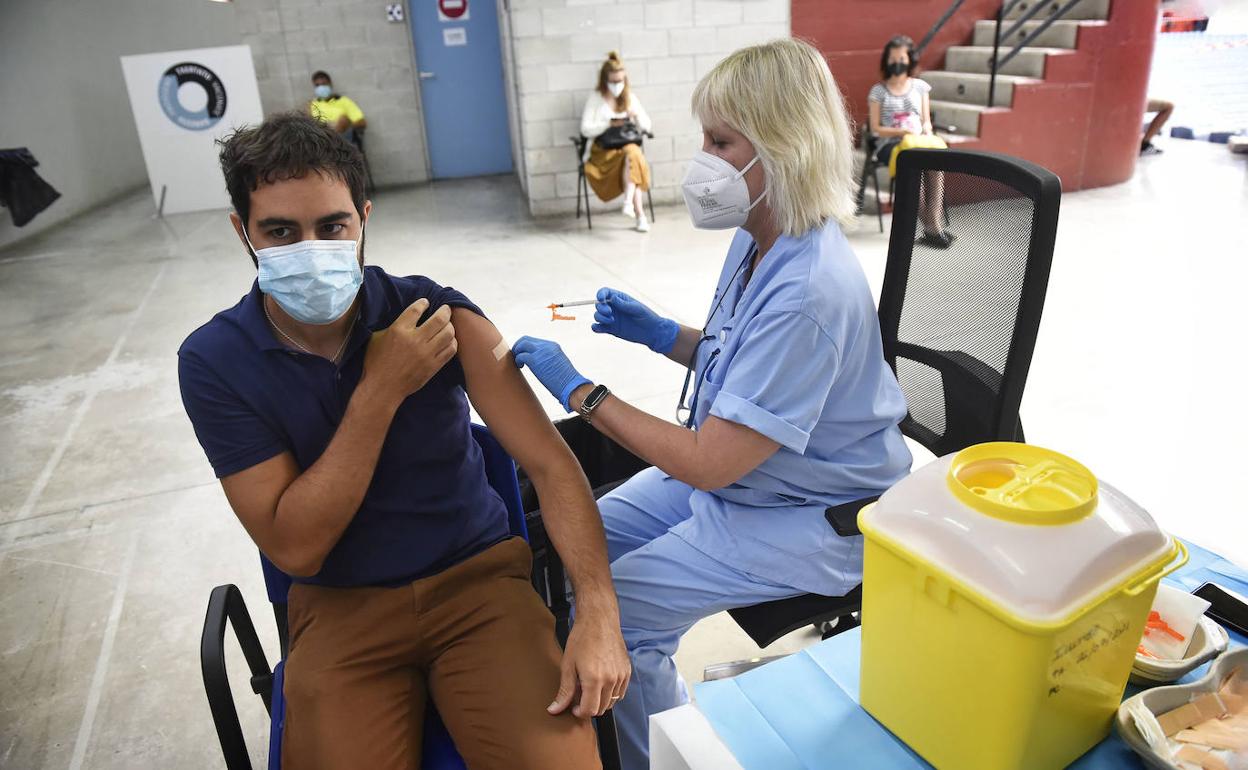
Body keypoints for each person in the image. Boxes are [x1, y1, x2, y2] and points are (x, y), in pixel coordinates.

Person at [177, 113, 629, 769]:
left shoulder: (437, 314)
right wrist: (381, 389)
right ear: (242, 231)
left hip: (479, 592)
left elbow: (552, 467)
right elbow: (296, 544)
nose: (311, 248)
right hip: (339, 609)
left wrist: (598, 610)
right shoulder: (216, 361)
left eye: (332, 226)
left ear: (363, 217)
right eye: (280, 231)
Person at [512, 39, 913, 769]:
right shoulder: (762, 237)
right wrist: (664, 336)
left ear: (784, 147)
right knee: (581, 541)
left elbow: (710, 465)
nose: (703, 159)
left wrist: (582, 392)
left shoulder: (808, 289)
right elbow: (743, 365)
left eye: (721, 141)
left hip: (807, 516)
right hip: (757, 474)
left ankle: (668, 756)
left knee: (617, 615)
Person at [867, 35, 953, 248]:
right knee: (912, 165)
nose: (897, 63)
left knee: (935, 166)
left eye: (902, 58)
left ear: (910, 60)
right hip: (890, 145)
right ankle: (934, 228)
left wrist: (925, 131)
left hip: (919, 140)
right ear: (887, 61)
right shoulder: (878, 91)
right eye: (893, 58)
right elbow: (875, 128)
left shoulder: (921, 87)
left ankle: (932, 225)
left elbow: (926, 121)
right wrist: (901, 132)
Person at [580, 51, 653, 233]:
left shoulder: (629, 97)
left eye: (620, 81)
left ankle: (631, 205)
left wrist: (634, 116)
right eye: (613, 82)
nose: (616, 85)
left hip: (626, 149)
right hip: (604, 153)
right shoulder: (596, 99)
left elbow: (647, 126)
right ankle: (639, 215)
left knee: (633, 154)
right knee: (634, 159)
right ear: (605, 80)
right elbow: (585, 129)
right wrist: (608, 123)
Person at [308, 70, 367, 142]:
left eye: (324, 84)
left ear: (330, 84)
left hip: (344, 138)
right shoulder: (313, 105)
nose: (321, 88)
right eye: (317, 85)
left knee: (344, 122)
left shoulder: (343, 101)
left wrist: (344, 125)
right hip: (324, 140)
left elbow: (361, 122)